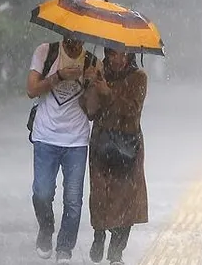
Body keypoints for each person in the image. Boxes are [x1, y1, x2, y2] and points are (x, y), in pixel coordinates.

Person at [26, 36, 99, 264]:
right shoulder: (46, 52)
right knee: (42, 193)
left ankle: (65, 248)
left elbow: (93, 112)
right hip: (46, 136)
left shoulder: (92, 61)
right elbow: (31, 90)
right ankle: (46, 229)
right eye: (71, 38)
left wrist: (91, 84)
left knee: (73, 199)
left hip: (76, 140)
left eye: (80, 39)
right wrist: (58, 76)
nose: (75, 44)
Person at [80, 48, 149, 265]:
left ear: (130, 56)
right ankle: (99, 234)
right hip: (101, 142)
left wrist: (107, 91)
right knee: (100, 194)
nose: (117, 59)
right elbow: (90, 112)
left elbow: (132, 109)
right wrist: (90, 85)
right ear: (107, 54)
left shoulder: (139, 77)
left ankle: (117, 251)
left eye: (123, 54)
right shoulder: (99, 72)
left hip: (128, 144)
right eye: (113, 54)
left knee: (127, 199)